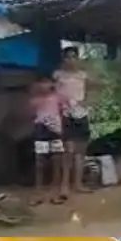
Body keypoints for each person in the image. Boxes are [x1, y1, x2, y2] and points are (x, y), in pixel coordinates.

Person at [54, 46, 91, 194]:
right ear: (64, 59)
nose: (70, 60)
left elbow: (88, 92)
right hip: (66, 115)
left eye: (73, 57)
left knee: (80, 152)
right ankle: (64, 185)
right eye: (67, 57)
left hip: (81, 114)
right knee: (68, 151)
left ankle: (78, 184)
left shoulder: (83, 75)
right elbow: (54, 94)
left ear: (78, 59)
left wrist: (86, 102)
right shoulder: (58, 75)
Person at [28, 74, 68, 204]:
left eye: (48, 82)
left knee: (56, 162)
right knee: (40, 163)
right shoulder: (36, 99)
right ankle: (38, 193)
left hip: (55, 131)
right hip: (41, 130)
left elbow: (66, 106)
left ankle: (54, 193)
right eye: (42, 82)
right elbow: (31, 109)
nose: (45, 85)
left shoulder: (58, 97)